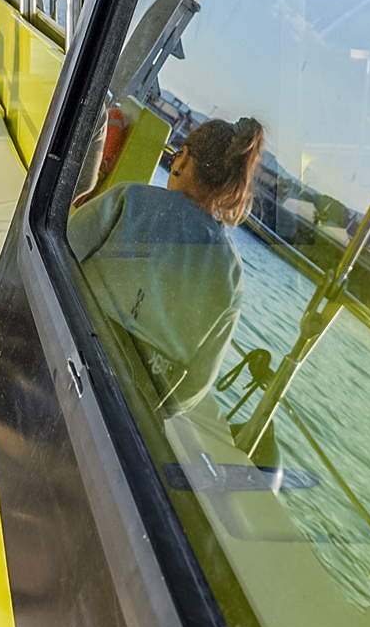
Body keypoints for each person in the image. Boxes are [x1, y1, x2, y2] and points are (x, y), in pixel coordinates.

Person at [67, 117, 265, 414]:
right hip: (126, 408)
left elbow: (58, 251)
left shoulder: (129, 198)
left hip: (71, 351)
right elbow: (194, 387)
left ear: (183, 159)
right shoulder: (231, 273)